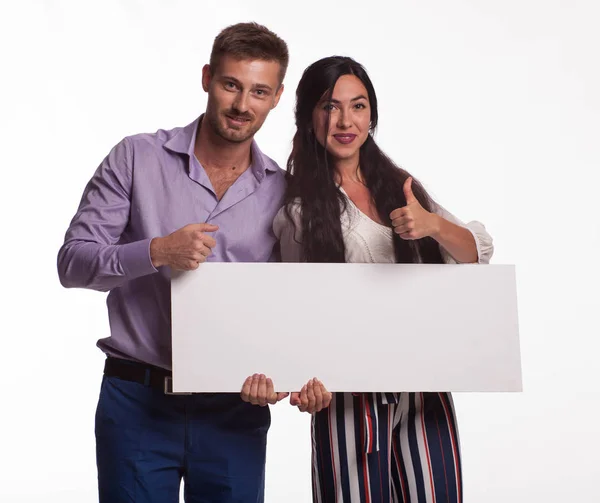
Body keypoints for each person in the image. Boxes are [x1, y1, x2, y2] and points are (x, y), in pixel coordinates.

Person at [57, 22, 292, 503]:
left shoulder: (285, 191)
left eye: (259, 91)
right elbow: (72, 263)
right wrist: (157, 251)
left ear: (276, 97)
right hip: (137, 401)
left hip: (235, 410)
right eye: (231, 85)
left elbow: (292, 306)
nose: (242, 105)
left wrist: (283, 373)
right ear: (207, 77)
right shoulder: (135, 157)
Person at [273, 56, 494, 502]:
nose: (344, 120)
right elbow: (297, 310)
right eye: (329, 106)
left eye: (357, 106)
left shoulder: (400, 186)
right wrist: (302, 378)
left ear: (372, 114)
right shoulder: (298, 212)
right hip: (349, 395)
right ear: (308, 116)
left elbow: (476, 251)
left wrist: (431, 226)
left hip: (423, 384)